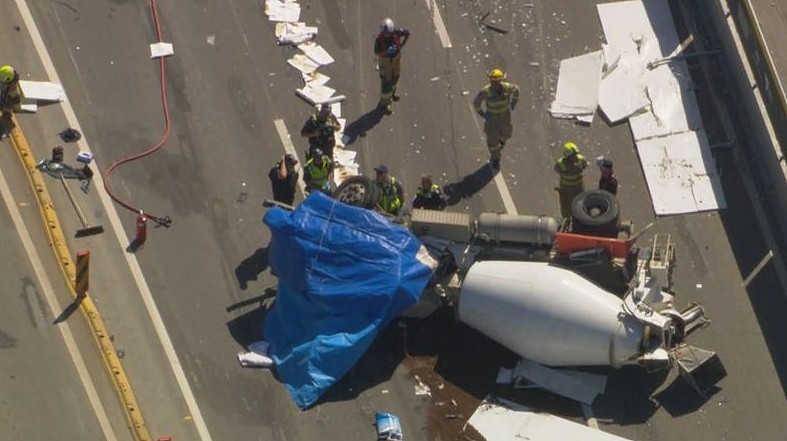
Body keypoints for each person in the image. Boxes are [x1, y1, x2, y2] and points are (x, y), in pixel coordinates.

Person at [473, 68, 520, 170]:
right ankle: (495, 159)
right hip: (492, 119)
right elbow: (476, 103)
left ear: (500, 81)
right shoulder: (485, 92)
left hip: (504, 116)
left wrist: (514, 102)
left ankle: (501, 142)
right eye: (492, 81)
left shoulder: (507, 88)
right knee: (492, 141)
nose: (493, 83)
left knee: (507, 134)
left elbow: (516, 90)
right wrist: (483, 114)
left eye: (495, 81)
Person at [374, 18, 410, 115]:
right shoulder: (379, 40)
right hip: (385, 61)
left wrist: (401, 46)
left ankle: (392, 92)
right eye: (385, 33)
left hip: (396, 58)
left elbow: (407, 33)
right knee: (386, 81)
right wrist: (386, 52)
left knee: (396, 76)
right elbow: (377, 52)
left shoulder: (397, 32)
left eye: (389, 33)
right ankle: (386, 103)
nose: (387, 35)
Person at [554, 142, 588, 218]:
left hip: (578, 187)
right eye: (572, 155)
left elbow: (584, 165)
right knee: (566, 206)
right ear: (567, 156)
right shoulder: (560, 164)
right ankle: (567, 219)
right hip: (567, 188)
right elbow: (557, 169)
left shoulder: (580, 159)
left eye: (575, 154)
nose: (574, 157)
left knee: (581, 203)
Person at [0, 65, 23, 137]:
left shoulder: (14, 91)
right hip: (2, 96)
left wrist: (17, 109)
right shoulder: (7, 82)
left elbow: (17, 104)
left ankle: (6, 114)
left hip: (6, 103)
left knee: (8, 106)